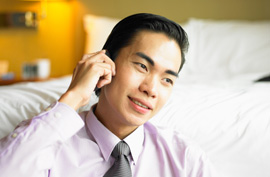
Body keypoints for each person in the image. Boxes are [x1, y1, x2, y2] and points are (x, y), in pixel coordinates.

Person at [0, 13, 217, 177]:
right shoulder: (48, 140)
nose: (151, 89)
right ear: (106, 62)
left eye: (167, 79)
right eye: (142, 66)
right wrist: (74, 96)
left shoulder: (183, 158)